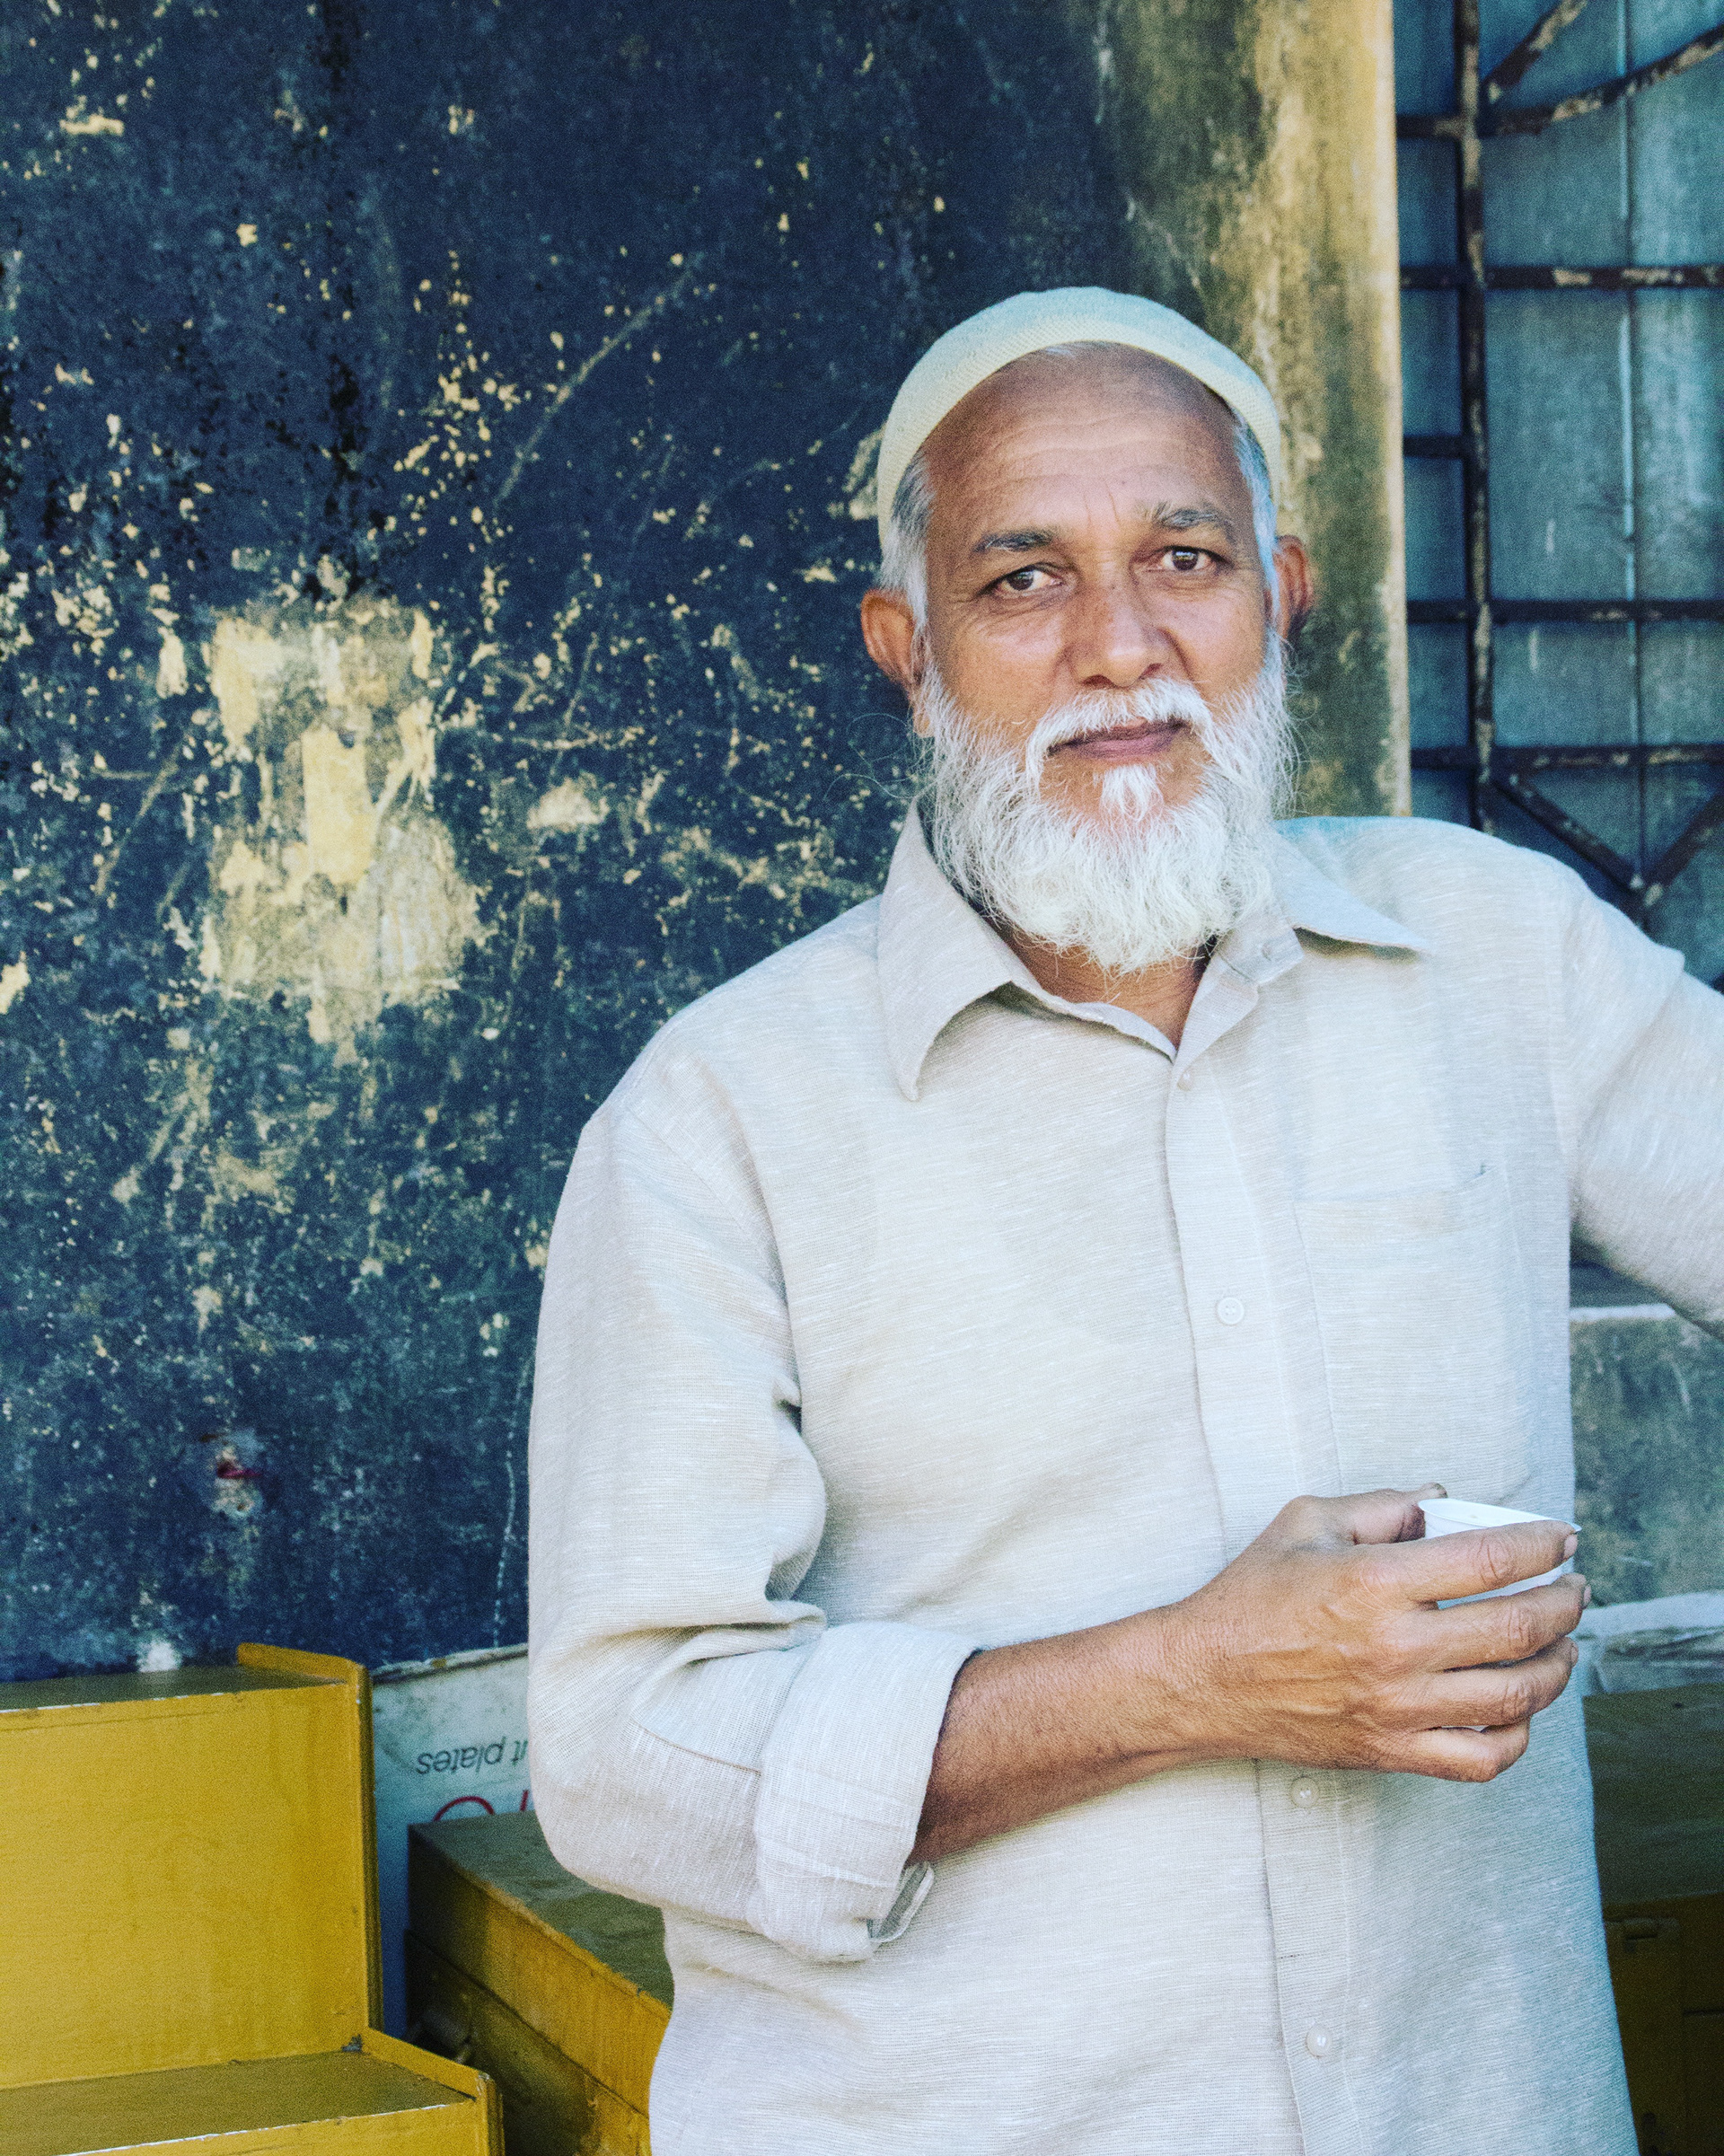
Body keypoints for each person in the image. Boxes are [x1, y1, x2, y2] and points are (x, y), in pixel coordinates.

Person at [526, 287, 1724, 2155]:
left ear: (1284, 597)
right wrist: (1187, 1677)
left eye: (1185, 557)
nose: (1120, 646)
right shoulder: (722, 1115)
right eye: (1023, 581)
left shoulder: (1500, 956)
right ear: (904, 647)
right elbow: (619, 1765)